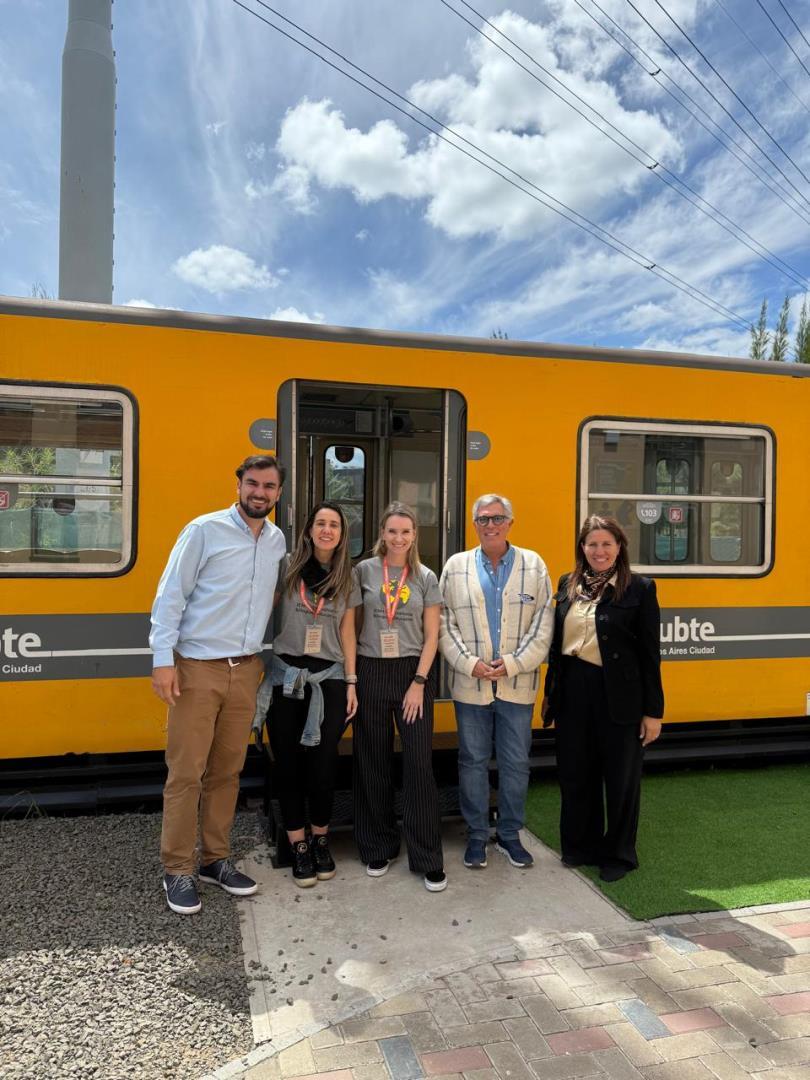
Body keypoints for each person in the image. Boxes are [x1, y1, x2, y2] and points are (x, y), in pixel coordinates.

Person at [149, 455, 286, 915]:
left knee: (227, 772)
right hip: (197, 668)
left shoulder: (276, 541)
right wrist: (163, 661)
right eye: (253, 483)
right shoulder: (203, 530)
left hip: (245, 669)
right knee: (186, 772)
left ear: (278, 493)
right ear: (239, 485)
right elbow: (170, 595)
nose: (259, 493)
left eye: (268, 486)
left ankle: (214, 860)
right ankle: (177, 869)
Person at [542, 514, 664, 883]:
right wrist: (550, 694)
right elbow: (556, 646)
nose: (599, 551)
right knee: (576, 773)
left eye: (607, 544)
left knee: (621, 779)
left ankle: (619, 855)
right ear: (582, 548)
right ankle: (581, 846)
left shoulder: (639, 588)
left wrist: (653, 712)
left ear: (619, 547)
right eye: (592, 544)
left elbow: (650, 655)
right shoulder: (567, 584)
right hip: (572, 689)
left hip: (619, 695)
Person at [439, 494, 554, 871]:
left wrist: (513, 664)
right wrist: (469, 664)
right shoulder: (455, 567)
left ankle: (509, 834)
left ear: (510, 522)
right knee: (472, 760)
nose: (491, 525)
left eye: (497, 518)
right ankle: (476, 835)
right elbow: (443, 622)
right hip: (469, 685)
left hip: (517, 686)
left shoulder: (533, 565)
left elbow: (544, 625)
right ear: (474, 524)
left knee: (515, 762)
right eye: (483, 519)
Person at [258, 502, 359, 887]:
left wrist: (351, 682)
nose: (327, 530)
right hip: (286, 677)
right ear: (309, 530)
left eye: (334, 525)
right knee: (287, 764)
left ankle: (320, 839)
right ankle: (298, 844)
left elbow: (347, 632)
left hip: (329, 680)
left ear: (342, 534)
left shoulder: (347, 576)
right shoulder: (287, 567)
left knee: (322, 766)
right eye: (320, 523)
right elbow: (262, 610)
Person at [352, 502, 446, 892]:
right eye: (392, 531)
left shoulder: (426, 576)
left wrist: (420, 681)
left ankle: (427, 857)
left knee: (418, 765)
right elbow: (353, 627)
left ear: (414, 535)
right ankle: (379, 846)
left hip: (412, 673)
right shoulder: (363, 571)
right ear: (382, 533)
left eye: (406, 531)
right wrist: (353, 677)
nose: (398, 538)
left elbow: (432, 635)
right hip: (372, 669)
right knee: (372, 760)